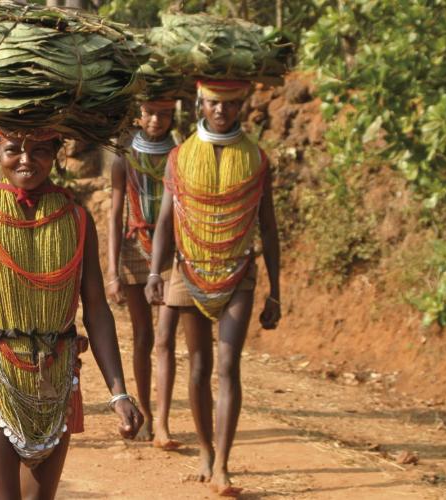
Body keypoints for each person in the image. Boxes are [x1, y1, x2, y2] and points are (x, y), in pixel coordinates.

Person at [0, 127, 143, 499]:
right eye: (14, 149)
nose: (27, 160)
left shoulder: (76, 220)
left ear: (57, 153)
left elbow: (96, 308)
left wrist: (119, 393)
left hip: (57, 373)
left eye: (41, 150)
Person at [145, 79, 281, 497]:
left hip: (239, 270)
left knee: (228, 366)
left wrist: (276, 290)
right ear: (200, 104)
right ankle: (205, 451)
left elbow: (269, 226)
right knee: (199, 368)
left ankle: (223, 464)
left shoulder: (256, 158)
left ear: (241, 105)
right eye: (214, 103)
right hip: (188, 268)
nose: (221, 111)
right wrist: (155, 272)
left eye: (231, 104)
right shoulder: (180, 157)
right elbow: (167, 220)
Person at [107, 100, 182, 447]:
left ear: (173, 116)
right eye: (150, 112)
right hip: (134, 249)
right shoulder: (124, 155)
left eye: (164, 113)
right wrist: (112, 269)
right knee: (143, 337)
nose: (156, 120)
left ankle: (164, 422)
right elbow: (115, 211)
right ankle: (147, 416)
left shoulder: (181, 154)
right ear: (138, 114)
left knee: (165, 338)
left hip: (172, 254)